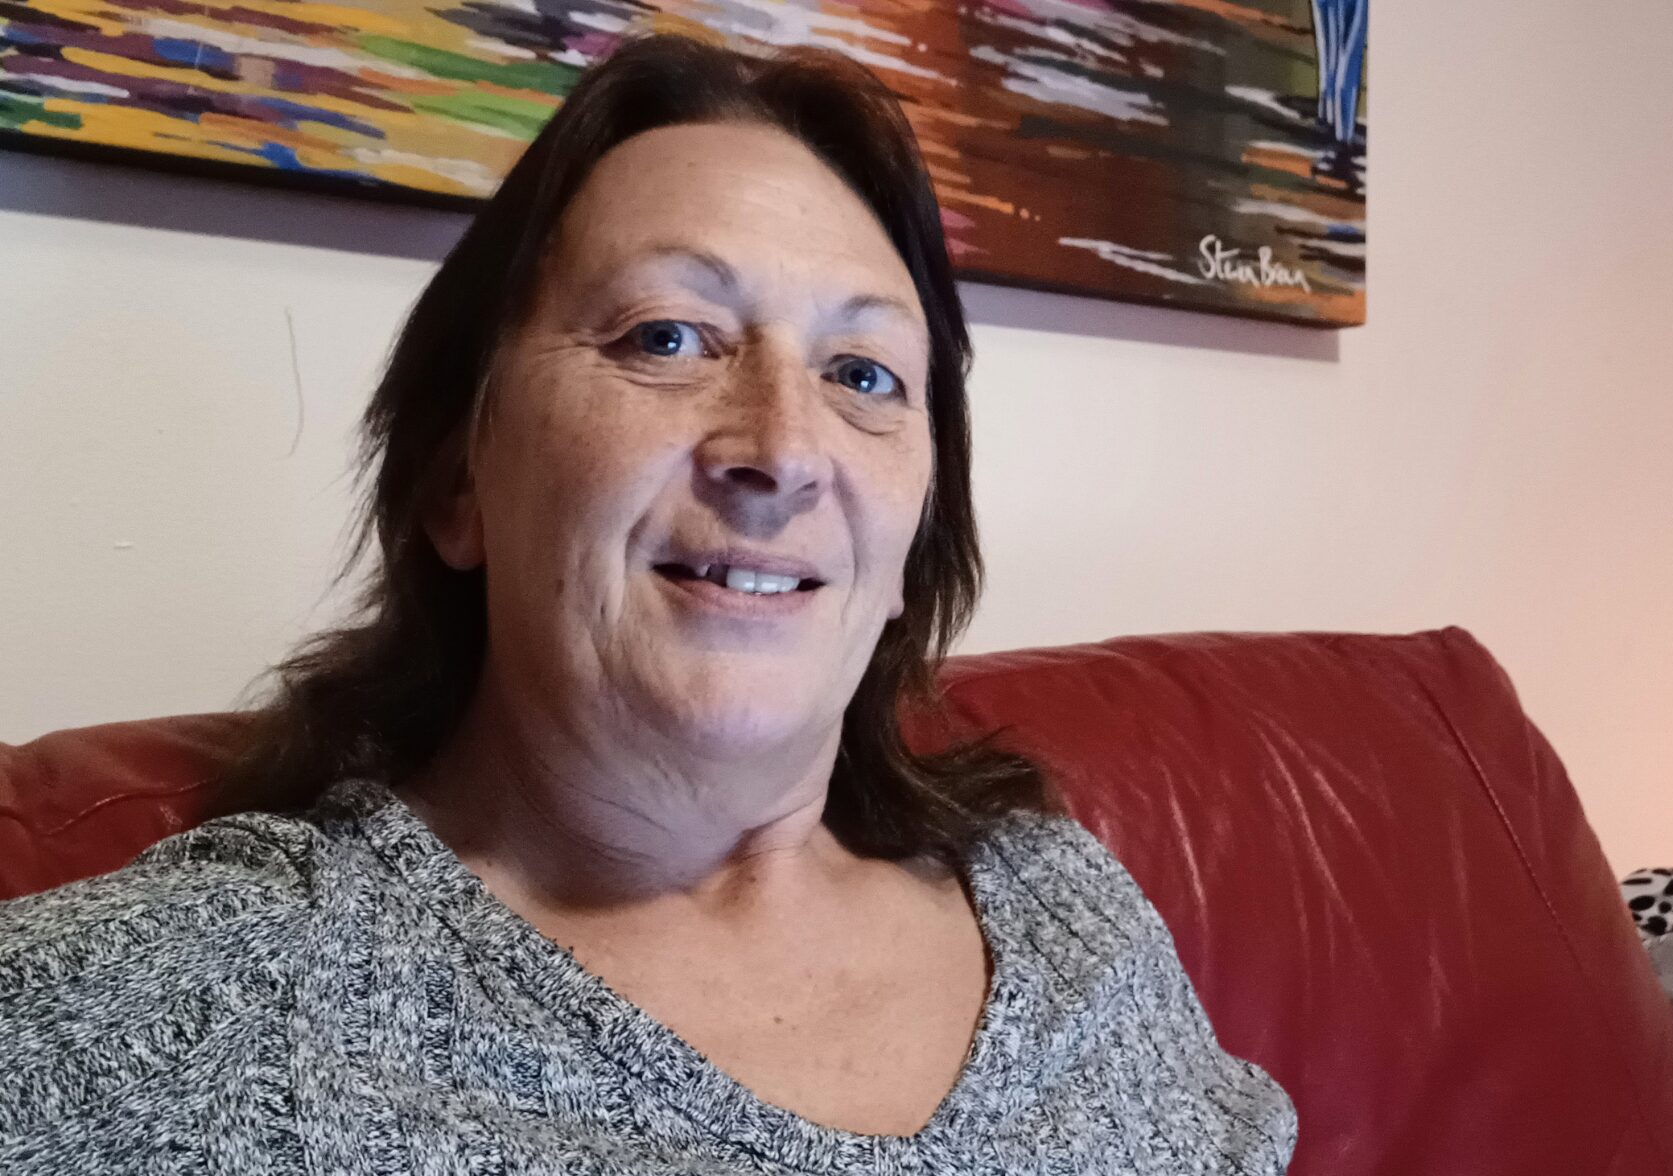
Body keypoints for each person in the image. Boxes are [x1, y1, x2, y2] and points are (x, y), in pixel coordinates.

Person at [0, 35, 1297, 1173]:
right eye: (666, 337)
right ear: (460, 478)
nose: (783, 448)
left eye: (862, 373)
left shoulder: (1054, 899)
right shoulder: (226, 994)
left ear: (910, 548)